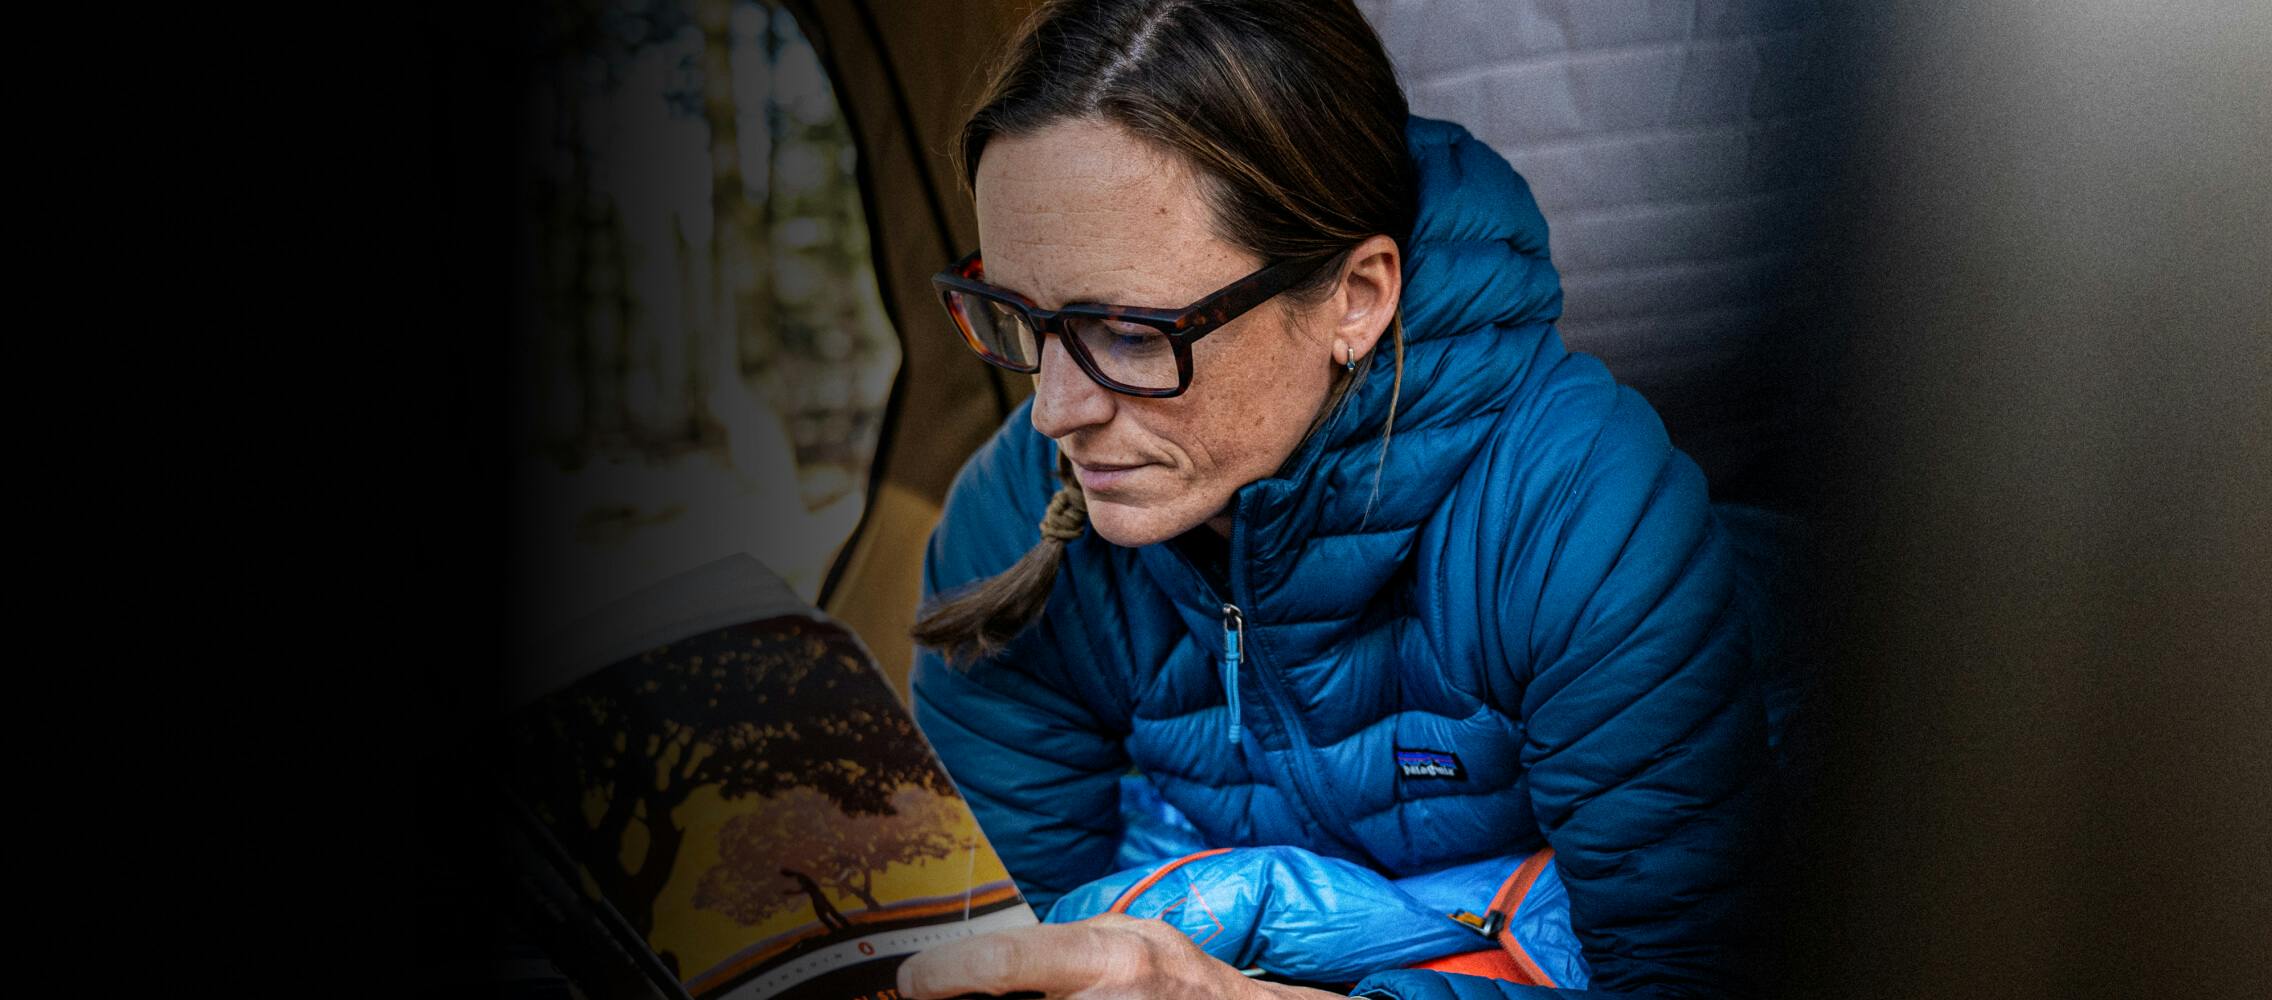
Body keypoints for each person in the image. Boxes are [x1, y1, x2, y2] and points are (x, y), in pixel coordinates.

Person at [901, 2, 1778, 997]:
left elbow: (1689, 977)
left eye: (1133, 334)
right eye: (1013, 313)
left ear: (1355, 298)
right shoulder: (1015, 521)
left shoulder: (1581, 519)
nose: (1055, 411)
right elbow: (1004, 944)